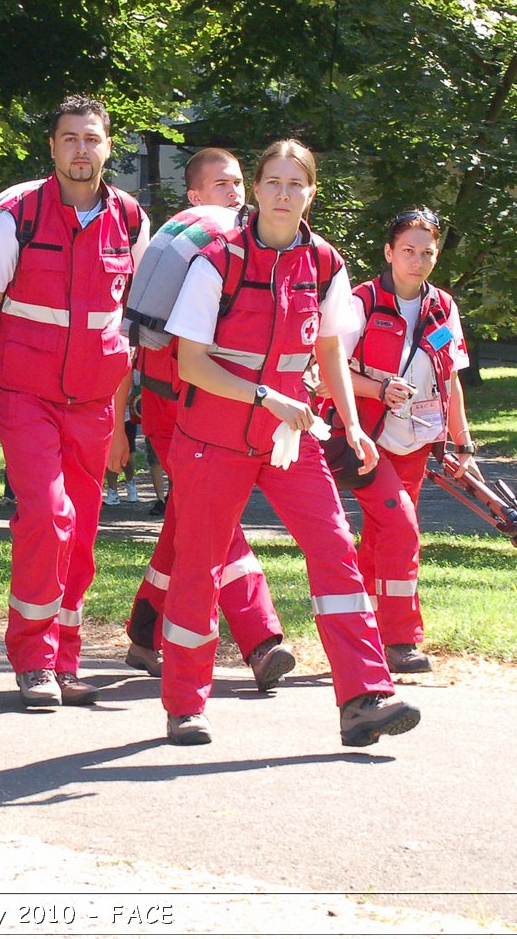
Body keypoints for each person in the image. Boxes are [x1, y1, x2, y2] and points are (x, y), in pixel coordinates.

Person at [159, 138, 420, 748]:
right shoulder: (217, 259)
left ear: (311, 192)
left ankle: (363, 699)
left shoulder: (325, 261)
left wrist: (353, 424)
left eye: (294, 184)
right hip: (213, 437)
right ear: (256, 190)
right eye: (272, 182)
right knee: (198, 569)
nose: (283, 194)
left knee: (334, 548)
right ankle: (184, 705)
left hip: (289, 434)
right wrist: (262, 395)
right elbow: (191, 364)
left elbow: (330, 349)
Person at [0, 94, 149, 708]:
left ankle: (66, 658)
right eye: (70, 138)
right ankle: (32, 657)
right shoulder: (19, 215)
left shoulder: (132, 221)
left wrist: (120, 422)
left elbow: (129, 331)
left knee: (83, 534)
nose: (81, 149)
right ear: (53, 147)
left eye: (92, 139)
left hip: (93, 404)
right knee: (46, 514)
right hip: (25, 396)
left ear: (107, 147)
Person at [121, 149, 295, 692]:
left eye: (240, 182)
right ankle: (261, 641)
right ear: (194, 197)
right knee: (216, 526)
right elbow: (131, 342)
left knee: (186, 526)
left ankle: (145, 635)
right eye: (222, 185)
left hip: (221, 413)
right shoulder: (184, 249)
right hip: (174, 412)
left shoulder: (246, 254)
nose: (236, 193)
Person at [337, 207, 478, 674]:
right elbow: (324, 374)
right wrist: (377, 389)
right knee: (401, 527)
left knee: (383, 535)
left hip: (418, 441)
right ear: (389, 252)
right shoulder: (360, 302)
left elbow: (452, 380)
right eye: (408, 251)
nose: (417, 261)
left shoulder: (444, 306)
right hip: (367, 441)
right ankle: (401, 640)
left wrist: (464, 445)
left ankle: (363, 629)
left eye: (427, 252)